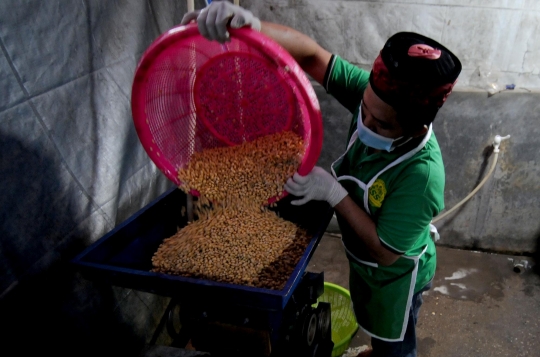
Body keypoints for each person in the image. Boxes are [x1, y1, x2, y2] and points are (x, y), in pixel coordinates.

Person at [182, 2, 462, 356]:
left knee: (397, 338)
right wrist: (250, 27)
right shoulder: (376, 97)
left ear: (417, 125)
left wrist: (334, 192)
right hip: (364, 264)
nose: (366, 123)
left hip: (396, 276)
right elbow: (312, 54)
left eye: (381, 124)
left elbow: (386, 252)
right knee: (371, 321)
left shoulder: (421, 174)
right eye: (364, 109)